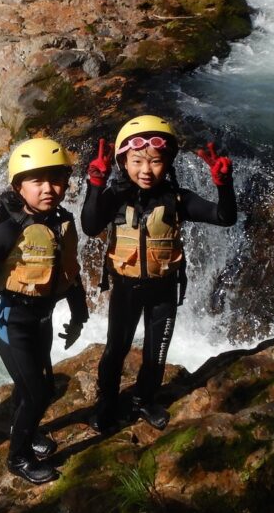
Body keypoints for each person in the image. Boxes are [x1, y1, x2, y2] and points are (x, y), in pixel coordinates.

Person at [81, 115, 237, 433]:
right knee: (115, 351)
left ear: (167, 163)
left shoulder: (178, 200)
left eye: (155, 161)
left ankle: (144, 400)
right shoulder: (116, 196)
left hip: (164, 289)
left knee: (156, 353)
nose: (146, 170)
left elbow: (224, 217)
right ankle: (106, 402)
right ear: (123, 162)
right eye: (137, 160)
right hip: (125, 288)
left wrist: (224, 185)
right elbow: (90, 225)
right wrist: (95, 185)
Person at [0, 137, 89, 484]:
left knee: (31, 385)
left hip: (41, 320)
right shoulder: (10, 229)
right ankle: (18, 458)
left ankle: (27, 431)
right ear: (18, 187)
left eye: (57, 179)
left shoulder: (61, 222)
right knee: (39, 392)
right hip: (13, 322)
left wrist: (79, 317)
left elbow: (70, 276)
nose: (49, 189)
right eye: (38, 182)